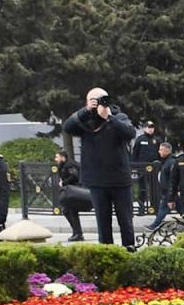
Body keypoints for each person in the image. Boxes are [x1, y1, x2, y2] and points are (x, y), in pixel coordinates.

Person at [64, 88, 137, 246]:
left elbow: (130, 133)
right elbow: (68, 127)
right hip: (96, 181)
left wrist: (109, 117)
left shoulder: (119, 116)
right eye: (93, 100)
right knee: (103, 224)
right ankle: (106, 252)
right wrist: (86, 110)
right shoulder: (84, 120)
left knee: (126, 221)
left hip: (120, 180)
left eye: (101, 99)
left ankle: (129, 250)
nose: (98, 103)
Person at [51, 149, 89, 241]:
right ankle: (76, 232)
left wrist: (64, 183)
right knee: (67, 211)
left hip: (73, 192)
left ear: (63, 157)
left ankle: (78, 233)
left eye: (57, 157)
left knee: (71, 211)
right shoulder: (65, 165)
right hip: (70, 192)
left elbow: (74, 176)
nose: (56, 159)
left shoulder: (69, 165)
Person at [130, 119, 162, 213]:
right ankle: (141, 208)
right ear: (144, 128)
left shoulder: (157, 140)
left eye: (152, 127)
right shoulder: (140, 139)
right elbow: (135, 153)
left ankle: (154, 207)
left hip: (154, 169)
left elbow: (160, 153)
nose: (151, 129)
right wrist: (134, 167)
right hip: (142, 168)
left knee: (154, 189)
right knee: (142, 188)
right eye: (149, 127)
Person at [149, 140, 178, 231]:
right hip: (167, 191)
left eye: (161, 150)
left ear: (167, 151)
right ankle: (154, 225)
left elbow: (173, 178)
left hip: (171, 191)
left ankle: (154, 225)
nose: (159, 151)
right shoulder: (166, 161)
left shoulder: (171, 161)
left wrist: (172, 191)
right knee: (164, 209)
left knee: (165, 209)